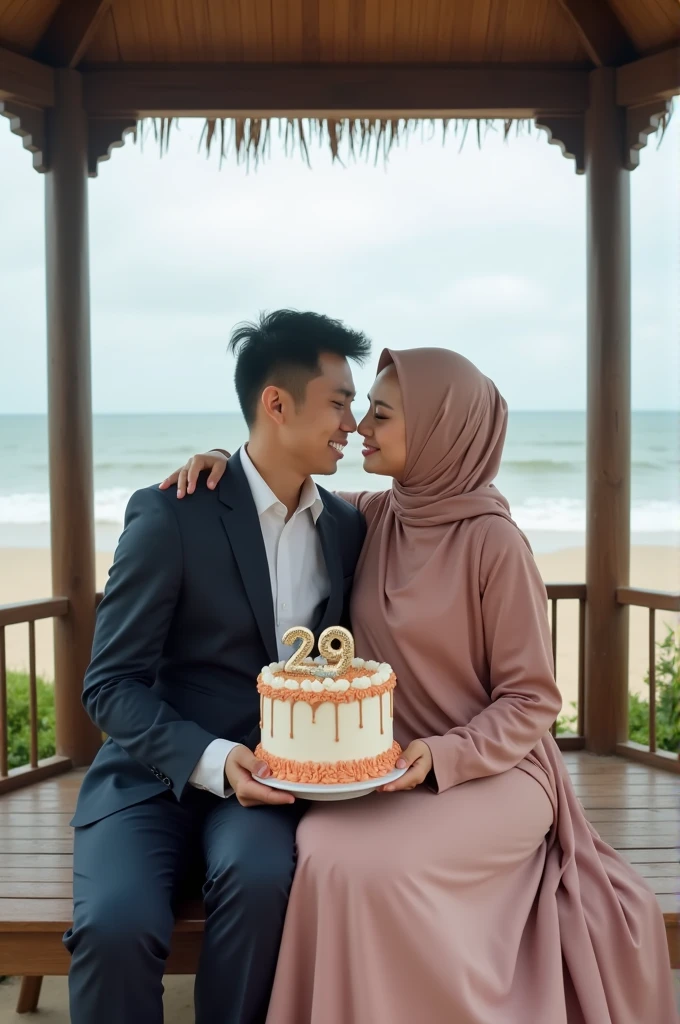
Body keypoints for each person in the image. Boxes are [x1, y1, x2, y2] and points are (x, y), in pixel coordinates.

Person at [162, 347, 678, 1024]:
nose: (359, 428)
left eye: (380, 414)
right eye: (361, 410)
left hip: (492, 772)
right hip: (382, 773)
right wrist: (224, 462)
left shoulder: (496, 543)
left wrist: (443, 755)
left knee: (374, 870)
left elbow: (533, 700)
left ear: (442, 429)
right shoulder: (369, 518)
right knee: (322, 852)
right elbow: (274, 489)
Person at [64, 310, 370, 1024]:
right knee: (114, 926)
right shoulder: (174, 515)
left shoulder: (349, 528)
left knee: (262, 883)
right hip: (149, 781)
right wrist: (212, 757)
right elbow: (109, 685)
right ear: (276, 404)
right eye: (339, 401)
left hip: (264, 786)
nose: (352, 423)